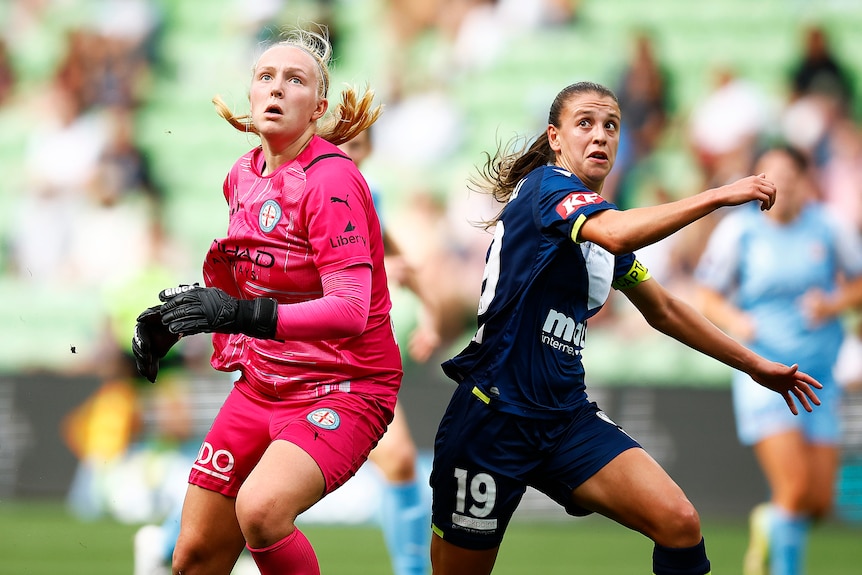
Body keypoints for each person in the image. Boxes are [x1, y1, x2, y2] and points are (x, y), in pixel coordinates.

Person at [427, 81, 823, 575]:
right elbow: (617, 230)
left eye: (611, 126)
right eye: (585, 124)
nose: (600, 136)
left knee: (679, 523)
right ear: (555, 137)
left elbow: (665, 311)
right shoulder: (547, 189)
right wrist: (720, 194)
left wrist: (754, 365)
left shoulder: (600, 234)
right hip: (492, 419)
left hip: (565, 420)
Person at [131, 27, 402, 575]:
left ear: (317, 107)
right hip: (262, 386)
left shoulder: (331, 182)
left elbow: (351, 310)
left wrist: (236, 314)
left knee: (263, 509)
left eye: (294, 80)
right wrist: (177, 322)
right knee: (192, 557)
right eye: (266, 77)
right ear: (251, 98)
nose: (277, 88)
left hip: (344, 387)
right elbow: (248, 284)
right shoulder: (241, 176)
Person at [693, 145, 862, 575]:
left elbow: (859, 283)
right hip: (765, 375)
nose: (781, 183)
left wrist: (832, 303)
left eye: (790, 174)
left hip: (820, 377)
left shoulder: (829, 226)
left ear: (806, 180)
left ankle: (769, 524)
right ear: (757, 183)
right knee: (795, 486)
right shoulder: (739, 231)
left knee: (819, 502)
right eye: (771, 175)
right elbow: (707, 295)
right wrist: (738, 321)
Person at [338, 127, 438, 575]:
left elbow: (395, 254)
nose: (346, 154)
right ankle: (166, 544)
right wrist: (378, 265)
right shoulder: (302, 191)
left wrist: (432, 315)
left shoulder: (365, 195)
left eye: (356, 145)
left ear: (371, 149)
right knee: (243, 471)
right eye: (337, 144)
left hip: (352, 359)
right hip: (297, 359)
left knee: (399, 460)